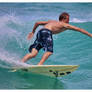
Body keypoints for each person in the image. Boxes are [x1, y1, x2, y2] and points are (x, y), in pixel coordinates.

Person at [21, 12, 92, 65]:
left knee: (33, 54)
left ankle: (20, 63)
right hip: (47, 32)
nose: (69, 21)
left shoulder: (51, 21)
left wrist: (32, 32)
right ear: (64, 19)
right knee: (49, 51)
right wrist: (90, 35)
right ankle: (39, 65)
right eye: (68, 19)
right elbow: (79, 29)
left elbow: (37, 23)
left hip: (40, 32)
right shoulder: (64, 24)